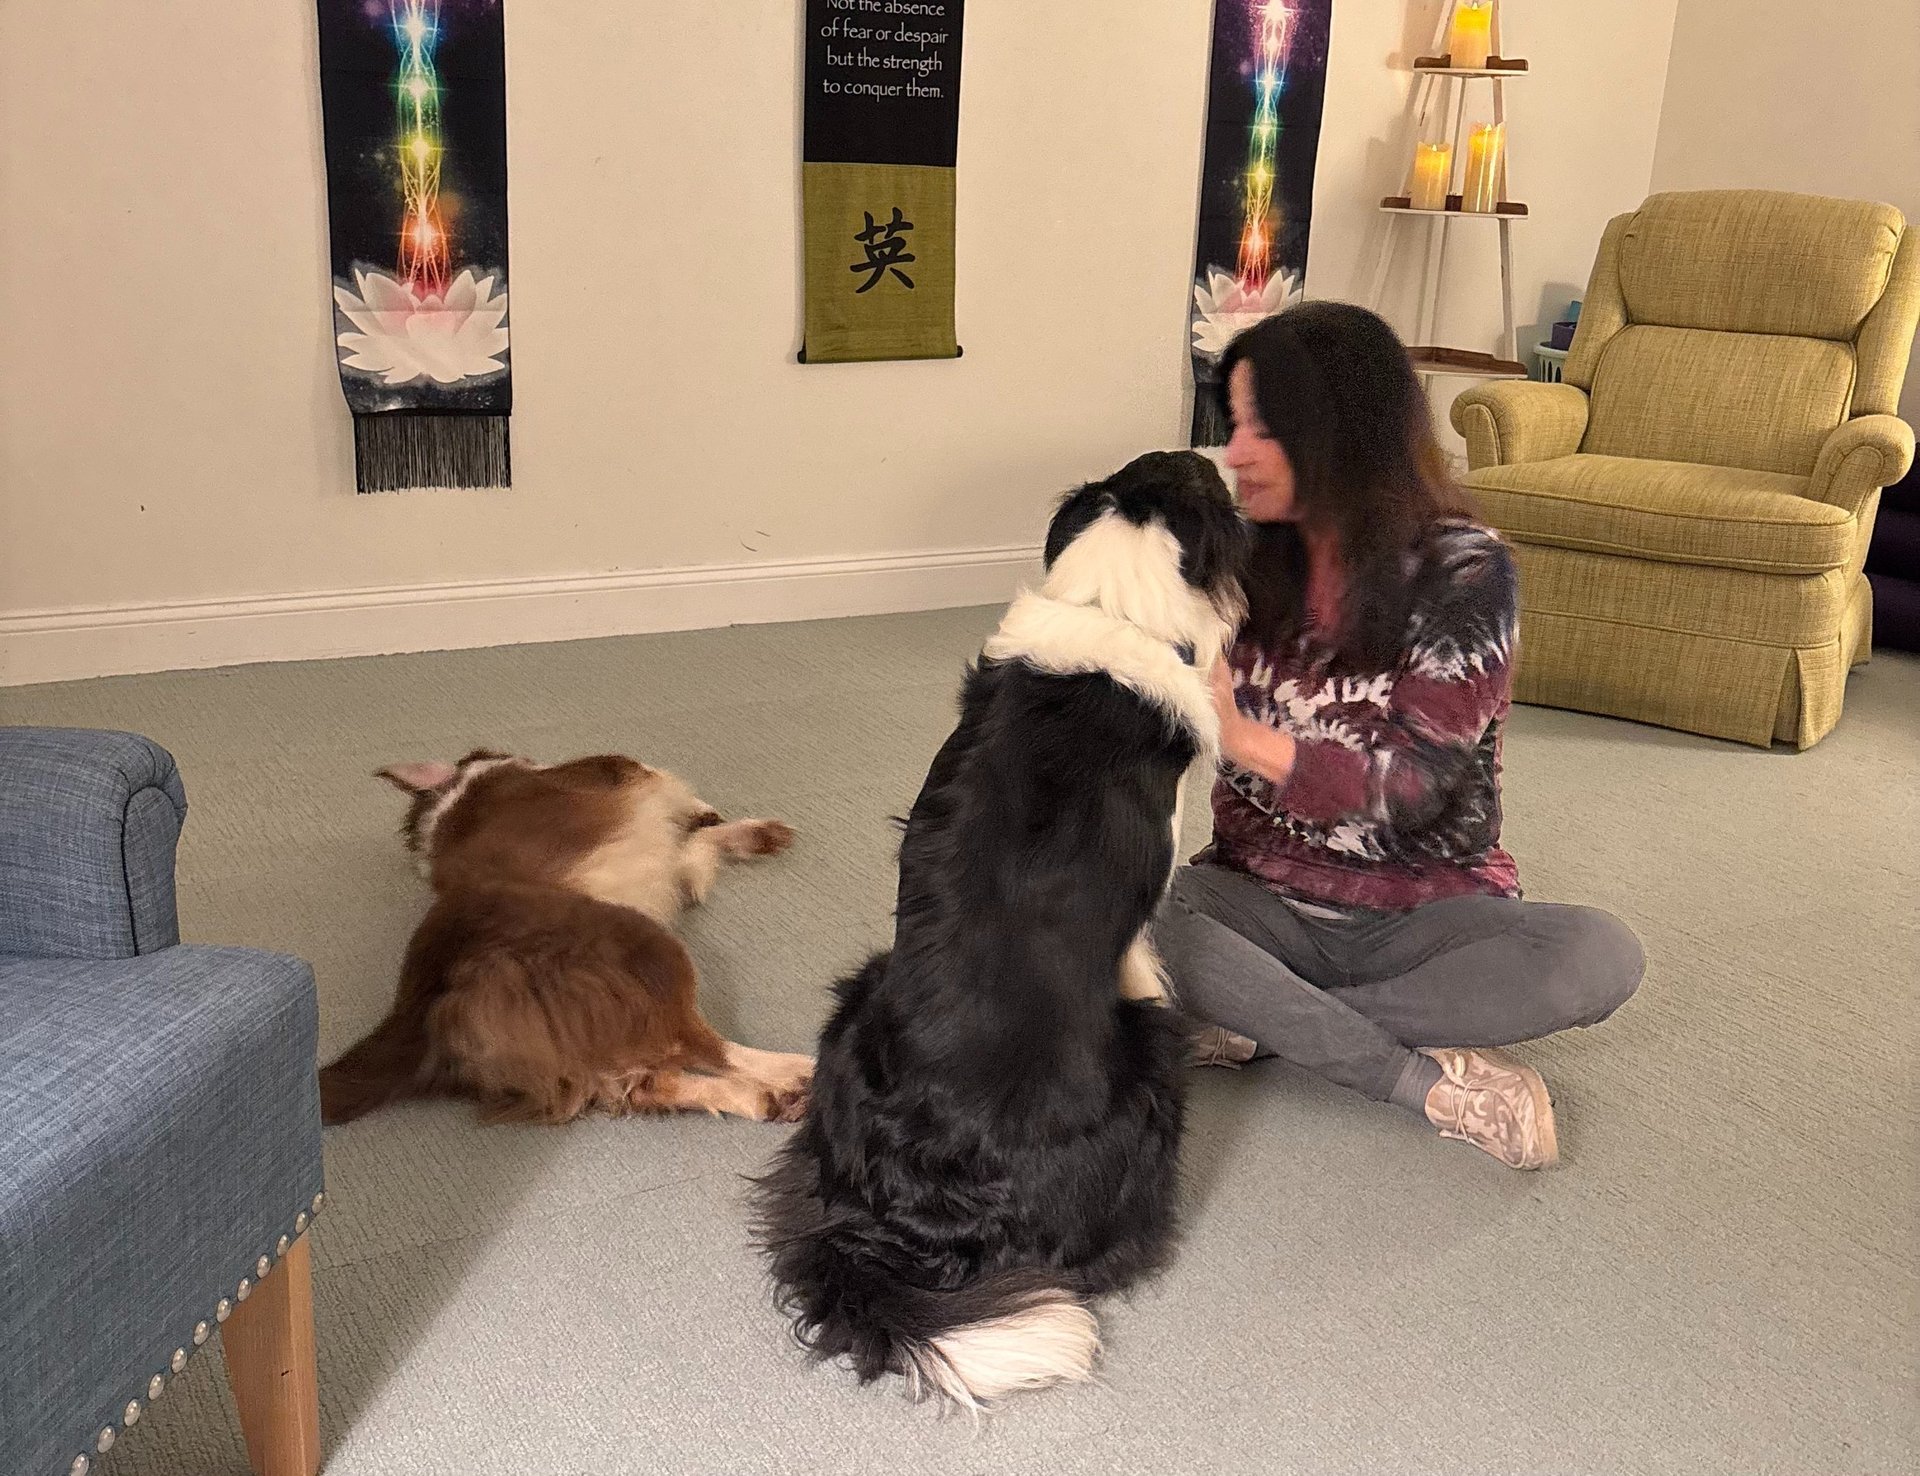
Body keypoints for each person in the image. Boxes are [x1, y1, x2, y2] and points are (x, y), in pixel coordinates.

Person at [1161, 302, 1643, 1170]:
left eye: (1260, 428)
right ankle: (1424, 1082)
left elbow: (1412, 787)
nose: (1232, 454)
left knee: (1598, 956)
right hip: (1253, 900)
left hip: (1426, 912)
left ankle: (1264, 1020)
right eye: (1231, 424)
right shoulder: (1232, 560)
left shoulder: (1465, 569)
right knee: (1127, 908)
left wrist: (1241, 736)